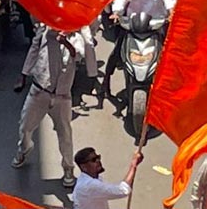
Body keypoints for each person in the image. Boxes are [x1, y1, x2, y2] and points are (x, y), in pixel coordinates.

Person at [13, 26, 84, 188]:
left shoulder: (77, 37)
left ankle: (68, 168)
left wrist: (66, 43)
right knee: (25, 128)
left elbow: (78, 55)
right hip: (39, 91)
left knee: (65, 133)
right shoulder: (44, 31)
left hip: (62, 96)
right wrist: (24, 75)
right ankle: (24, 149)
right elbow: (34, 49)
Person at [71, 146, 142, 209]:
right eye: (93, 160)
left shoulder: (90, 179)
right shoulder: (90, 185)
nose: (98, 161)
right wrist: (133, 166)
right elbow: (123, 190)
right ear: (84, 167)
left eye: (98, 157)